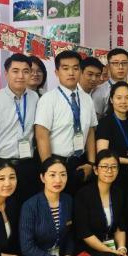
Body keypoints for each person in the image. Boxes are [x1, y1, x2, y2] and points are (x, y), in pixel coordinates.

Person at [19, 158, 87, 256]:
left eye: (63, 175)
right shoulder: (30, 206)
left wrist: (68, 255)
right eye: (52, 175)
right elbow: (27, 248)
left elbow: (69, 234)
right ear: (42, 178)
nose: (58, 180)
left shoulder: (68, 200)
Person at [35, 50, 98, 196]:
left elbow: (90, 132)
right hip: (57, 162)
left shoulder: (87, 99)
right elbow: (41, 135)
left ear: (80, 71)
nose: (71, 73)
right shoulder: (48, 99)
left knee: (81, 203)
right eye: (65, 68)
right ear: (57, 72)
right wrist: (50, 169)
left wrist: (91, 163)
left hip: (81, 162)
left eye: (75, 68)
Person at [0, 53, 40, 205]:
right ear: (6, 73)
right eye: (15, 71)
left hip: (28, 165)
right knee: (7, 210)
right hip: (3, 166)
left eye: (25, 71)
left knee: (29, 209)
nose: (20, 76)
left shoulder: (34, 98)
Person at [96, 81, 128, 194]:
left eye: (127, 97)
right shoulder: (105, 123)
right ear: (111, 100)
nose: (123, 101)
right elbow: (102, 154)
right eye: (119, 98)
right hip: (113, 175)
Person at [92, 48, 128, 119]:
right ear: (108, 66)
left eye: (124, 63)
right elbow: (95, 120)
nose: (120, 67)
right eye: (115, 63)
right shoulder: (100, 91)